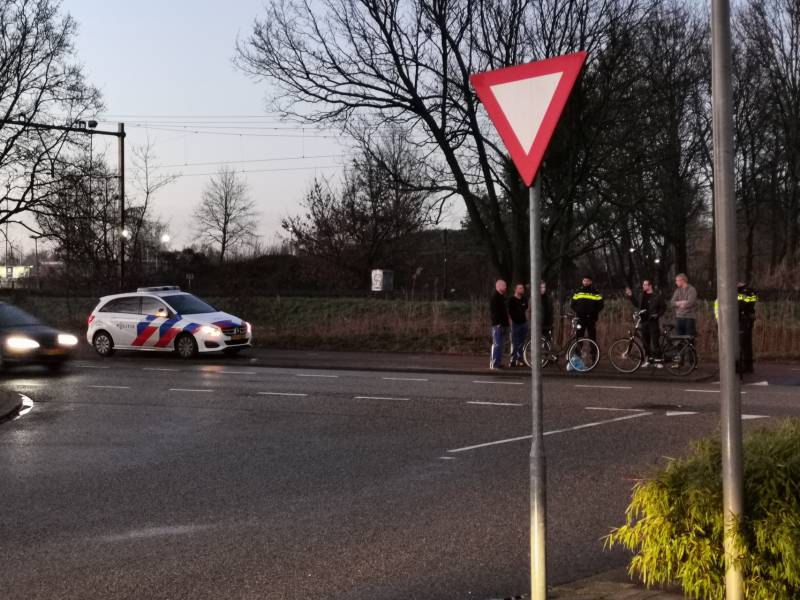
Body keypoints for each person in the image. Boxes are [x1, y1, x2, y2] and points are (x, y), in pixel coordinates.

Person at [714, 281, 758, 373]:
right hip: (745, 319)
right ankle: (747, 366)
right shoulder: (748, 291)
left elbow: (741, 305)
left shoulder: (745, 292)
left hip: (743, 320)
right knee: (746, 344)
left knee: (741, 344)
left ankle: (742, 366)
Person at [625, 279, 666, 366]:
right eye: (643, 285)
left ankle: (658, 360)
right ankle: (648, 359)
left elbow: (663, 308)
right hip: (643, 321)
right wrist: (631, 296)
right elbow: (637, 304)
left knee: (655, 342)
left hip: (653, 322)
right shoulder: (641, 295)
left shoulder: (657, 296)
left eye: (645, 285)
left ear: (650, 286)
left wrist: (657, 315)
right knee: (645, 343)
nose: (643, 286)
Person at [570, 276, 604, 342]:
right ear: (582, 281)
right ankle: (577, 352)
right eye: (584, 281)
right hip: (580, 318)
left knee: (592, 337)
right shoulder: (578, 292)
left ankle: (594, 352)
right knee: (579, 336)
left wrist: (594, 312)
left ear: (591, 282)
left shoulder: (595, 292)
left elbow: (601, 305)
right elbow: (572, 304)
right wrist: (578, 311)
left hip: (591, 318)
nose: (585, 282)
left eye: (587, 281)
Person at [670, 273, 698, 338]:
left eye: (677, 280)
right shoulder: (677, 291)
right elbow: (672, 303)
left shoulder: (692, 290)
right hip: (679, 317)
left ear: (682, 280)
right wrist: (682, 302)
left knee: (689, 339)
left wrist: (678, 303)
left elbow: (690, 303)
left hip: (689, 318)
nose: (676, 282)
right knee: (679, 339)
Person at [489, 279, 509, 369]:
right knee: (497, 344)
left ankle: (498, 362)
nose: (505, 287)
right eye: (504, 285)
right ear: (499, 286)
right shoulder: (495, 297)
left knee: (501, 344)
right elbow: (494, 312)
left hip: (502, 324)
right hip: (498, 325)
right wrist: (497, 323)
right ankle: (494, 363)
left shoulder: (501, 297)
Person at [508, 283, 529, 367]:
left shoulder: (524, 299)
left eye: (522, 288)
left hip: (523, 323)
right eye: (520, 288)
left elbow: (526, 309)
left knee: (522, 343)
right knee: (514, 342)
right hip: (515, 324)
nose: (522, 289)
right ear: (515, 290)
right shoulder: (511, 300)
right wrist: (511, 322)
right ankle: (513, 360)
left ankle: (520, 359)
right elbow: (509, 312)